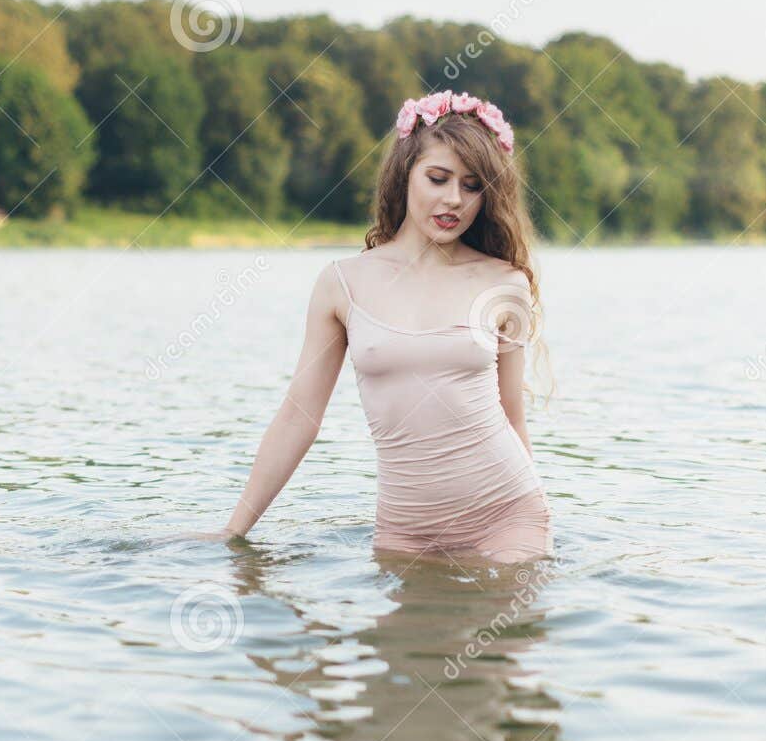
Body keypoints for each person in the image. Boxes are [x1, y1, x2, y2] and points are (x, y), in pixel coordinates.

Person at [220, 90, 553, 562]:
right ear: (405, 174)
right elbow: (299, 416)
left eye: (473, 186)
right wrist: (235, 533)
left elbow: (513, 418)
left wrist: (538, 511)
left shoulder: (504, 282)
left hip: (506, 516)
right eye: (437, 178)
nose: (454, 199)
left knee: (503, 632)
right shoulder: (343, 284)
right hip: (405, 530)